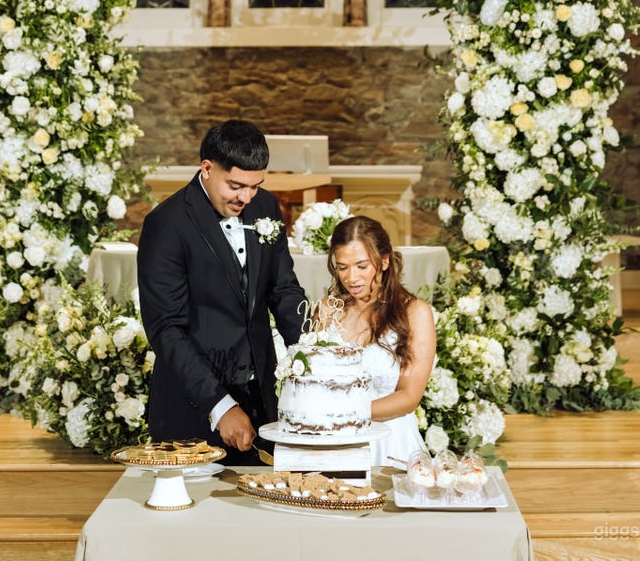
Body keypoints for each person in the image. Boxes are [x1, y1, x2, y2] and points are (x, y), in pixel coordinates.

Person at [137, 119, 307, 464]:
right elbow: (166, 329)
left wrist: (314, 355)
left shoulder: (266, 207)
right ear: (207, 169)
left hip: (260, 402)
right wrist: (221, 405)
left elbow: (283, 289)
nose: (246, 197)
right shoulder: (166, 224)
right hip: (193, 406)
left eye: (255, 186)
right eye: (236, 185)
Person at [321, 215, 436, 466]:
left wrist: (345, 413)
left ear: (384, 261)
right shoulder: (328, 310)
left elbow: (409, 396)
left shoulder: (415, 313)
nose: (351, 278)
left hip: (390, 442)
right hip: (332, 441)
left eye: (362, 266)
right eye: (343, 267)